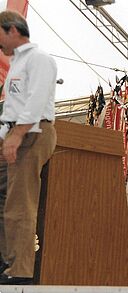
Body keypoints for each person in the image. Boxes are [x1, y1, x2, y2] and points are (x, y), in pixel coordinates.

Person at [0, 10, 57, 285]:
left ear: (12, 30)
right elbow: (12, 109)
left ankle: (20, 270)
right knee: (5, 198)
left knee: (20, 202)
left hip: (33, 133)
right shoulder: (18, 65)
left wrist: (16, 135)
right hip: (14, 133)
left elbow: (36, 100)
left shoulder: (39, 59)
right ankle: (6, 259)